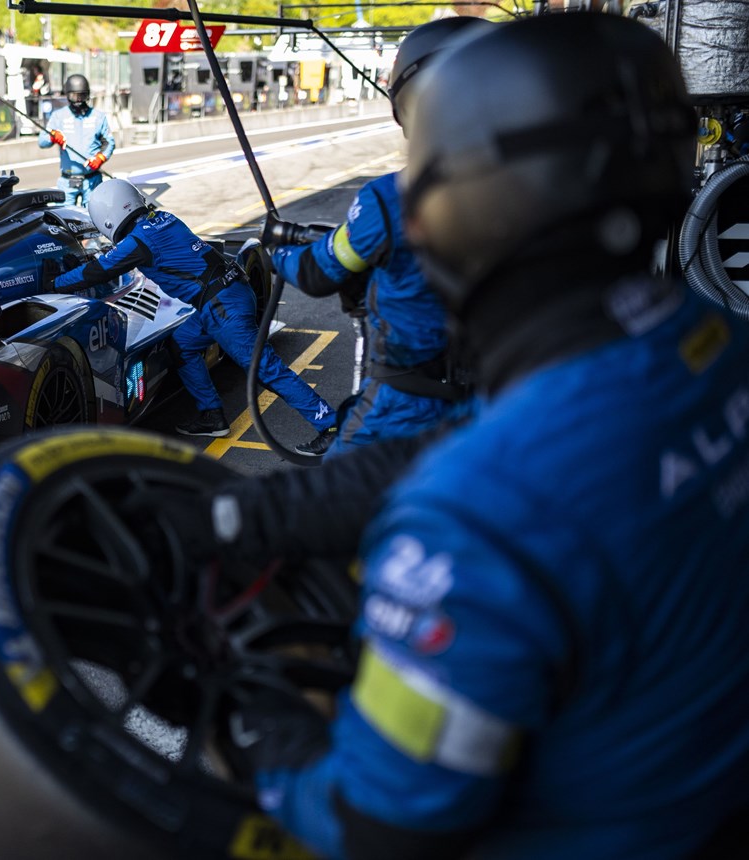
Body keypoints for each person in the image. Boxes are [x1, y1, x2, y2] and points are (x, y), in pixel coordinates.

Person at [197, 14, 749, 858]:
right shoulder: (714, 346)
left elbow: (373, 824)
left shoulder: (472, 525)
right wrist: (257, 514)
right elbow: (504, 449)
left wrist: (256, 726)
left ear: (454, 209)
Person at [267, 16, 493, 457]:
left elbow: (317, 272)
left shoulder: (392, 198)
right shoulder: (548, 188)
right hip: (506, 398)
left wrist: (276, 254)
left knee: (331, 491)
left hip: (409, 402)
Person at [55, 179, 336, 440]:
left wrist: (54, 283)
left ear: (108, 218)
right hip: (227, 295)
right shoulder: (165, 218)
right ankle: (212, 415)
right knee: (183, 343)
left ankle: (330, 425)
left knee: (266, 370)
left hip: (222, 308)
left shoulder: (137, 243)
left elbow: (97, 271)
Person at [38, 74, 115, 206]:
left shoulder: (98, 117)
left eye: (82, 96)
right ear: (67, 96)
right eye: (74, 96)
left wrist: (100, 158)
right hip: (67, 181)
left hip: (92, 181)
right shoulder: (58, 116)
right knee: (63, 215)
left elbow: (109, 142)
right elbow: (42, 141)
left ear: (88, 95)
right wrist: (52, 136)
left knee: (94, 214)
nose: (78, 100)